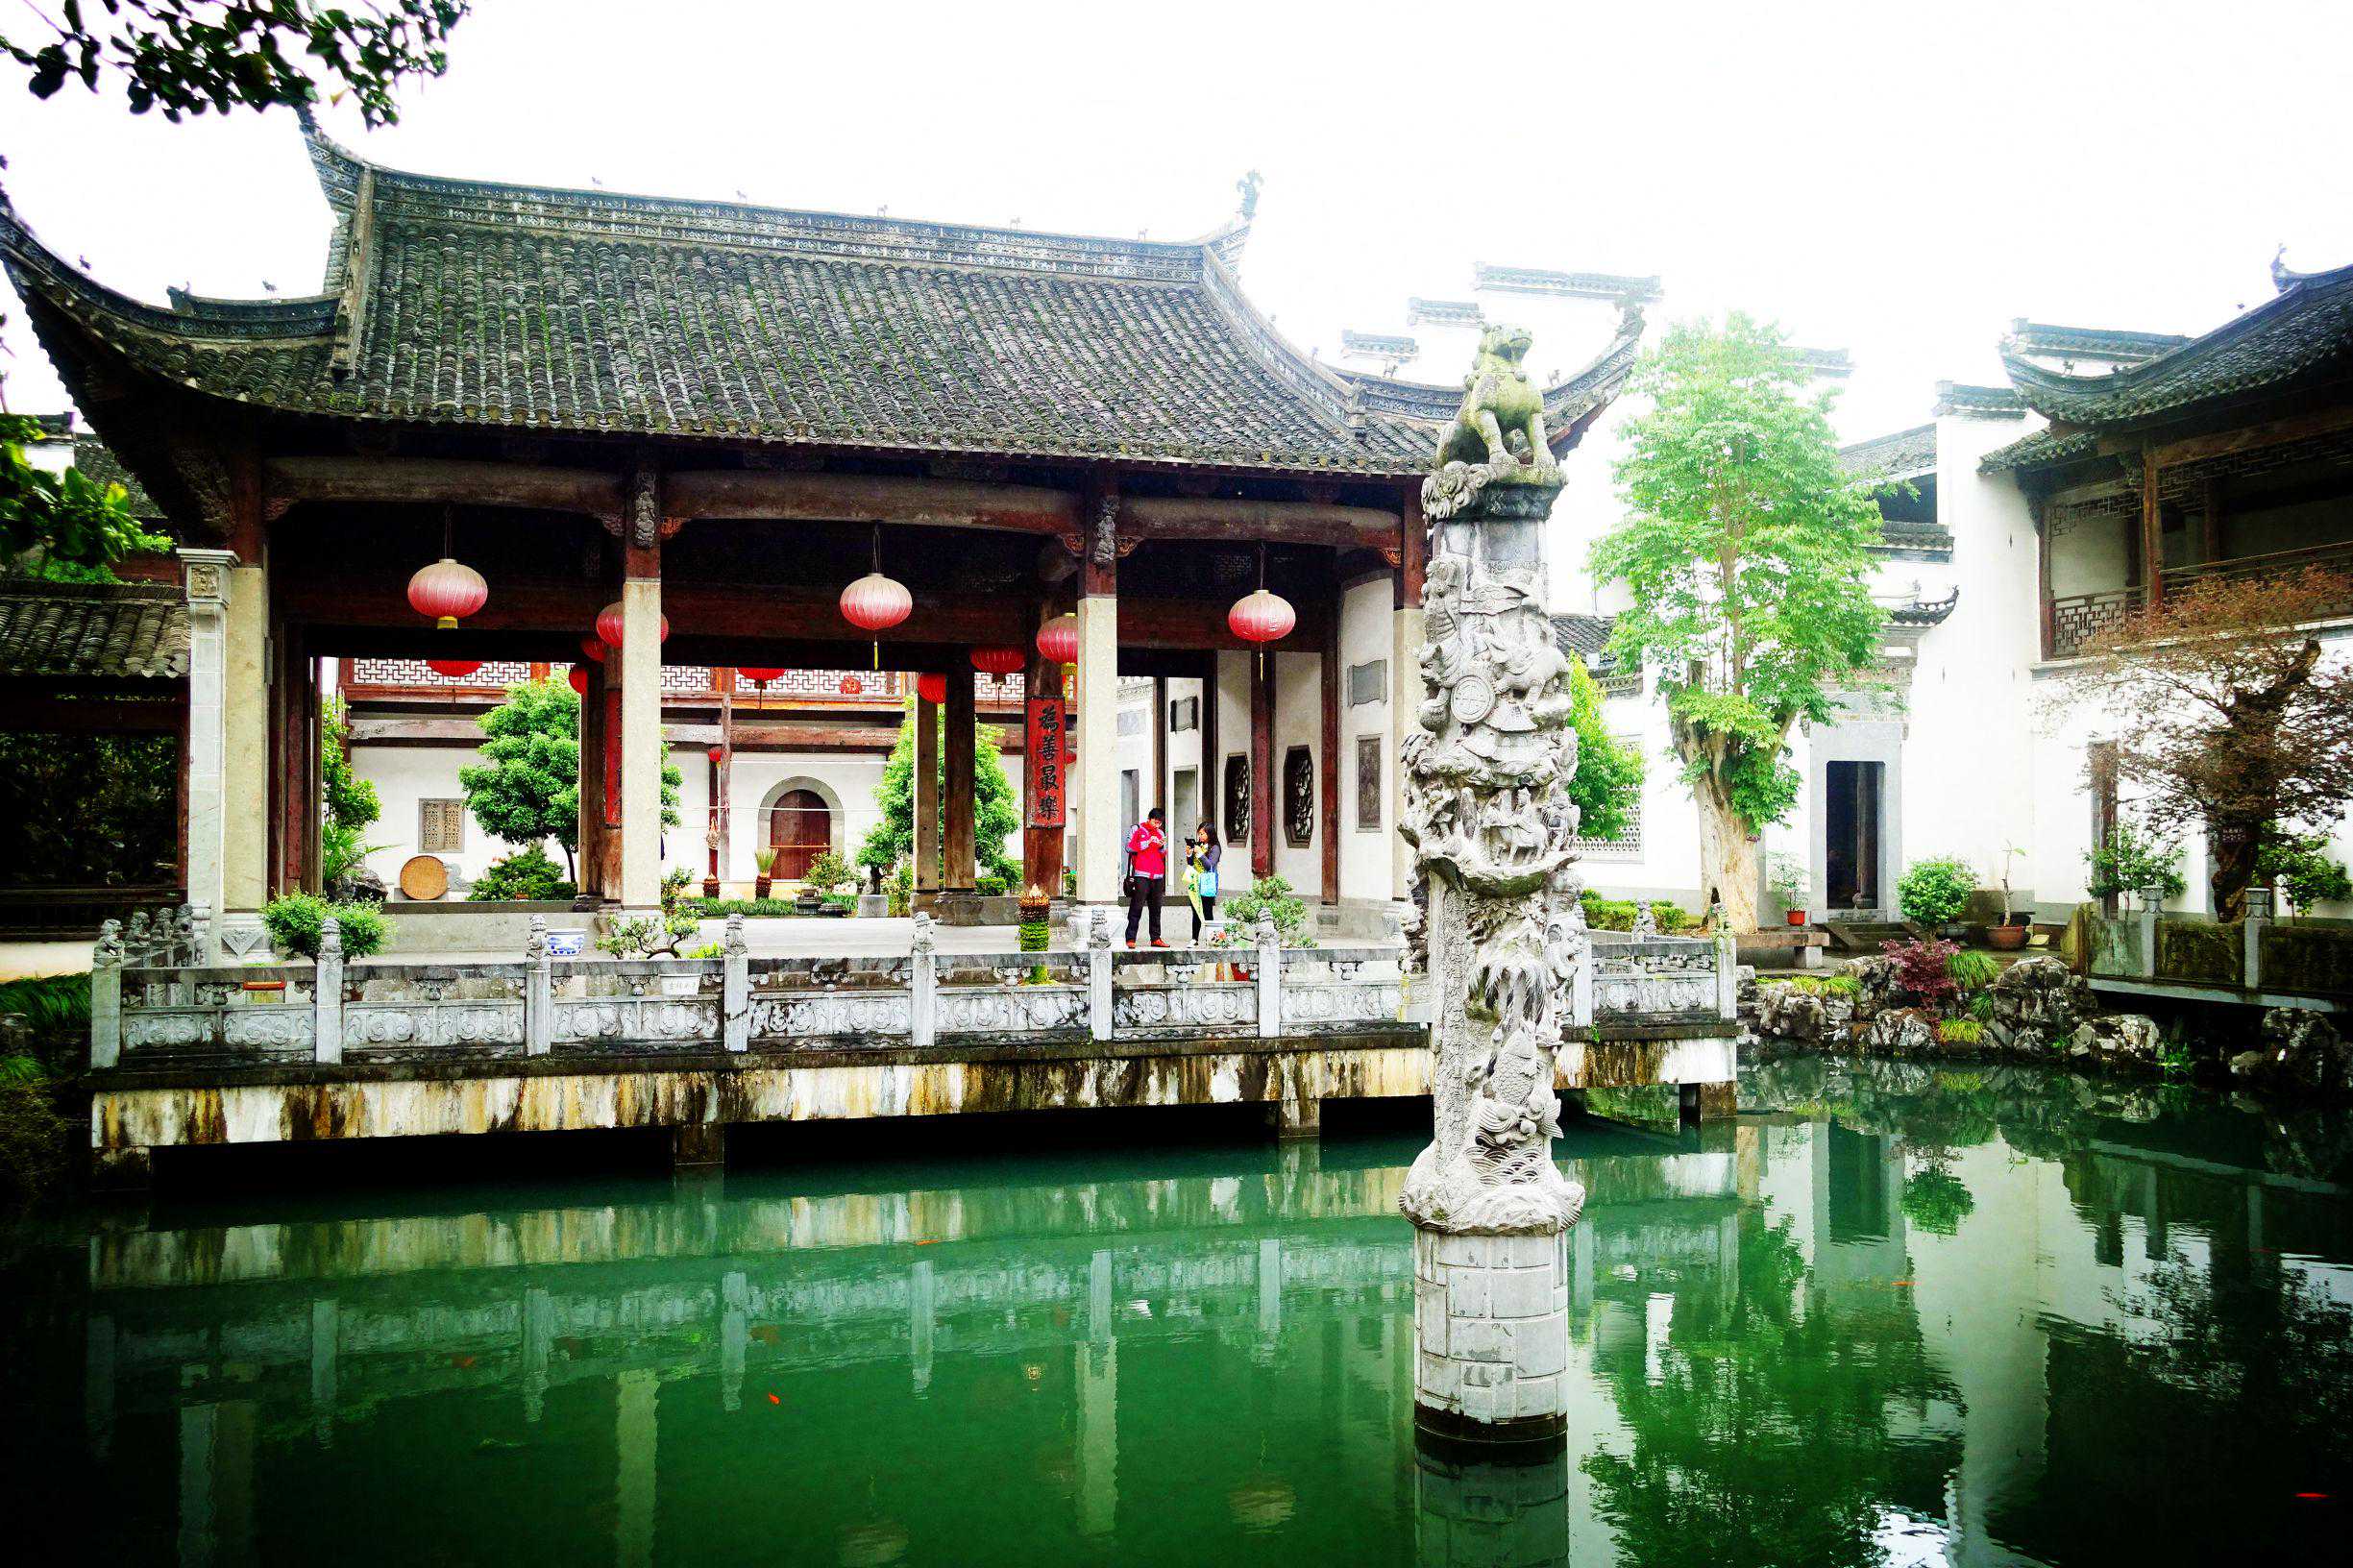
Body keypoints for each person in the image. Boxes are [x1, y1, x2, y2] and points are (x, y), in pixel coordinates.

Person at [1124, 807, 1169, 948]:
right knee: (1136, 907)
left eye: (1160, 823)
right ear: (1149, 819)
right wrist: (1147, 842)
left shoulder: (1160, 833)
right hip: (1141, 874)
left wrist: (1161, 846)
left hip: (1158, 875)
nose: (1157, 826)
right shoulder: (1137, 829)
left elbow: (1163, 853)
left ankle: (1155, 938)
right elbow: (1129, 847)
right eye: (1155, 822)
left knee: (1156, 908)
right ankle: (1131, 938)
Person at [1188, 821, 1221, 941]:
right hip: (1195, 882)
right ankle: (1194, 939)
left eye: (1202, 834)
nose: (1200, 836)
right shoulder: (1198, 845)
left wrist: (1200, 853)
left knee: (1207, 912)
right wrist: (1189, 854)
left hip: (1207, 884)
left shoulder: (1215, 848)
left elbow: (1209, 866)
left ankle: (1211, 939)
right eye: (1199, 834)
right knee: (1195, 911)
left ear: (1210, 834)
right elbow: (1191, 863)